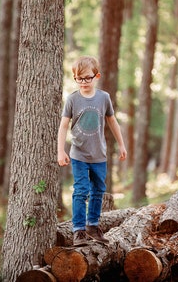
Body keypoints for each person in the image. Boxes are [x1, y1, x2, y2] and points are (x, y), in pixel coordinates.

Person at [57, 56, 127, 246]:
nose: (83, 82)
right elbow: (64, 126)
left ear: (97, 76)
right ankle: (78, 230)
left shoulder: (103, 98)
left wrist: (121, 144)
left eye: (87, 78)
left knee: (98, 190)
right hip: (78, 154)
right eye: (79, 79)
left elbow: (112, 121)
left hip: (99, 155)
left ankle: (93, 226)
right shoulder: (72, 99)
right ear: (75, 78)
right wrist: (60, 151)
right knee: (81, 190)